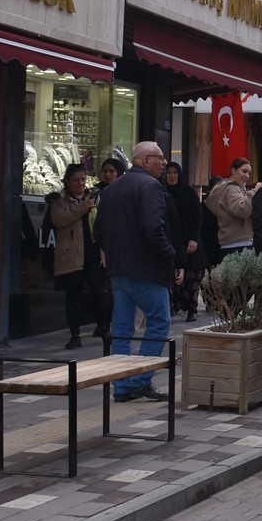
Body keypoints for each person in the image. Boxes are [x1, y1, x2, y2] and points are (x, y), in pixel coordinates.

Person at [93, 141, 175, 403]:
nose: (164, 163)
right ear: (145, 160)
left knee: (122, 328)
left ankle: (121, 385)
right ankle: (140, 380)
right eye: (160, 158)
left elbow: (98, 231)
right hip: (146, 268)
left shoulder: (111, 188)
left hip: (118, 268)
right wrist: (169, 253)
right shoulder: (150, 186)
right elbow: (153, 227)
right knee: (159, 321)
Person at [51, 163, 104, 348]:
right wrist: (82, 208)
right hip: (72, 256)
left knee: (100, 293)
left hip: (94, 254)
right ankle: (75, 335)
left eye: (83, 179)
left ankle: (103, 327)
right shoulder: (60, 201)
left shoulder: (95, 197)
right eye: (76, 180)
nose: (81, 184)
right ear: (67, 182)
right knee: (73, 296)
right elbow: (59, 220)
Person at [164, 161, 205, 322]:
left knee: (191, 278)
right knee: (173, 279)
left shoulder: (188, 192)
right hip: (172, 241)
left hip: (189, 241)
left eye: (175, 173)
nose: (172, 176)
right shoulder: (162, 192)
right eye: (169, 173)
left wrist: (194, 238)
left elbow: (197, 216)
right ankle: (174, 307)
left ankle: (192, 309)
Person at [204, 158, 259, 264]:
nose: (247, 176)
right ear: (233, 170)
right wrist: (255, 191)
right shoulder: (232, 189)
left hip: (231, 244)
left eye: (249, 173)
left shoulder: (228, 189)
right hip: (239, 244)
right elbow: (242, 210)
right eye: (244, 171)